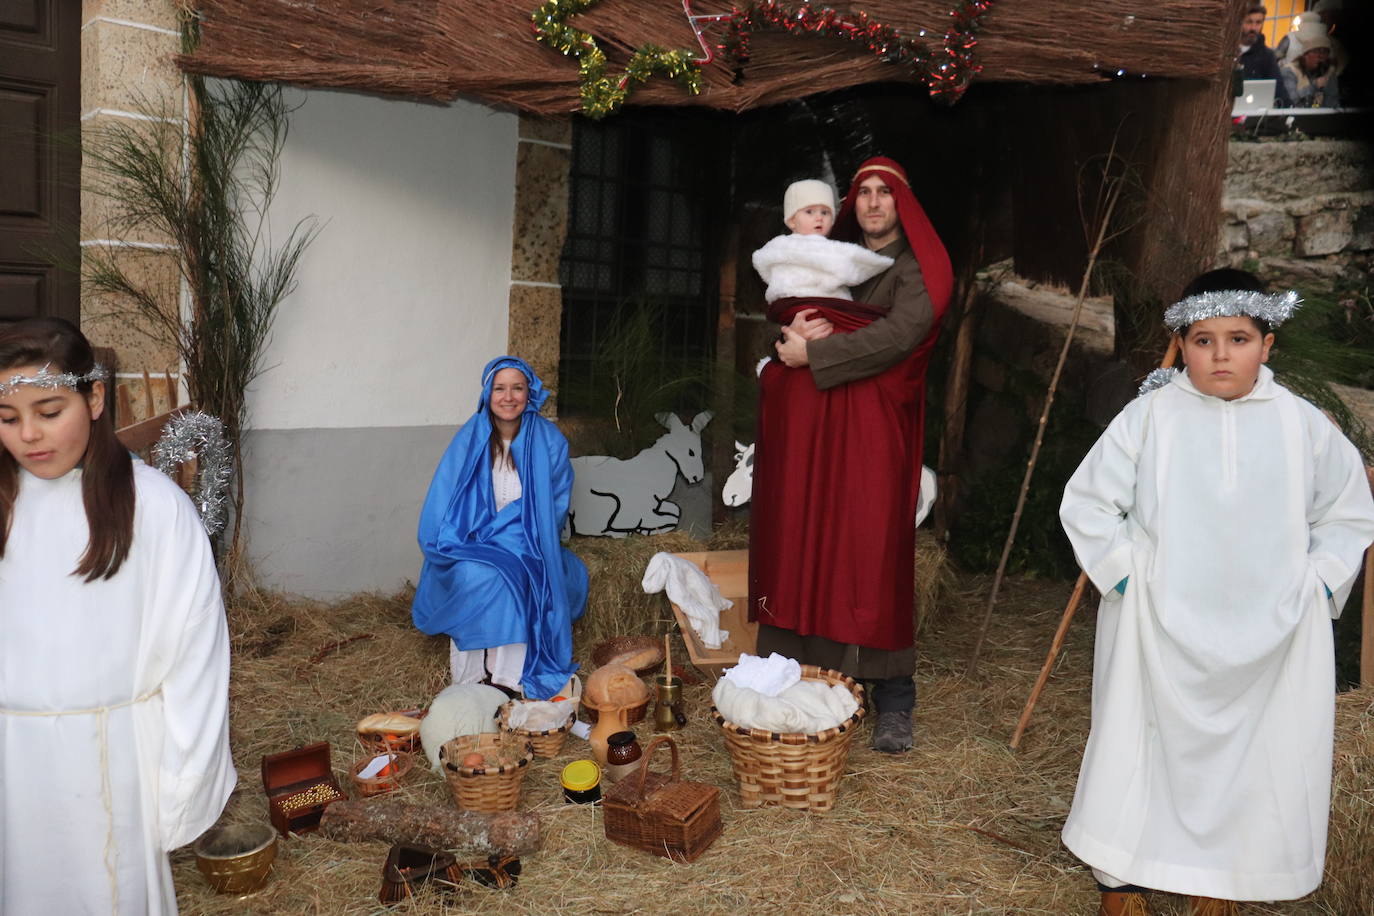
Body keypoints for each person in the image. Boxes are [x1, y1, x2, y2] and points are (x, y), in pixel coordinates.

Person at [1058, 271, 1374, 916]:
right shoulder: (1149, 416)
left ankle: (1220, 883)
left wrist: (1314, 584)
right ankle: (1121, 881)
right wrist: (1127, 579)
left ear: (1269, 344)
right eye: (1204, 340)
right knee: (1137, 743)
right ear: (1182, 344)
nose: (1222, 355)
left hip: (1271, 626)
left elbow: (1347, 512)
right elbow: (1089, 503)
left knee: (1254, 755)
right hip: (1159, 621)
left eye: (1239, 338)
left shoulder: (1303, 425)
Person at [0, 317, 236, 915]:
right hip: (12, 764)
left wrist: (183, 781)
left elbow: (195, 652)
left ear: (95, 397)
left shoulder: (154, 506)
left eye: (49, 411)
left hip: (114, 763)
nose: (28, 435)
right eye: (7, 419)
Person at [750, 156, 954, 753]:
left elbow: (900, 335)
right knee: (808, 539)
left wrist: (813, 357)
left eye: (883, 192)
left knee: (870, 550)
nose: (871, 202)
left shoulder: (919, 269)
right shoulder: (829, 254)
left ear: (902, 201)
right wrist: (790, 340)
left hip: (873, 429)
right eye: (862, 192)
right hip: (818, 430)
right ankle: (811, 684)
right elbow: (796, 308)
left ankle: (894, 699)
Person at [412, 355, 588, 700]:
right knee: (472, 573)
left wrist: (505, 538)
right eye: (500, 388)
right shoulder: (469, 438)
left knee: (514, 573)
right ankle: (470, 678)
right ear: (487, 394)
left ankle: (508, 680)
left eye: (517, 388)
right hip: (471, 540)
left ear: (530, 393)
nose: (508, 397)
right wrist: (464, 539)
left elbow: (552, 506)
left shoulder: (550, 441)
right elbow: (445, 499)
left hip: (528, 542)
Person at [751, 178, 894, 304]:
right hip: (788, 301)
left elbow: (856, 260)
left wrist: (880, 263)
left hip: (827, 304)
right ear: (792, 220)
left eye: (825, 212)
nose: (819, 218)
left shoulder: (832, 247)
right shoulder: (780, 245)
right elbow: (763, 260)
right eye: (809, 212)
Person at [1280, 27, 1342, 107]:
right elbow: (1291, 100)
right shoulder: (1290, 71)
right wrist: (1314, 86)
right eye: (1316, 51)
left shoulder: (1328, 72)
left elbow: (1332, 102)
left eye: (1324, 52)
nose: (1320, 56)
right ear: (1306, 54)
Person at [1238, 4, 1280, 83]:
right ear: (1240, 23)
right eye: (1249, 22)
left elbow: (1279, 89)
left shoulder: (1267, 56)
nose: (1253, 28)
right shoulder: (1227, 52)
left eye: (1258, 22)